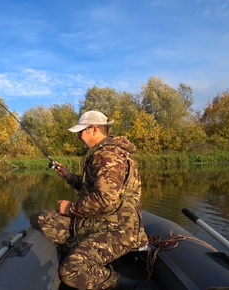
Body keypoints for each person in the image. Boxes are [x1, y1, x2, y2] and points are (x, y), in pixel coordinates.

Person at [37, 110, 148, 289]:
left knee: (71, 270)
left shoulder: (108, 155)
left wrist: (70, 208)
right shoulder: (101, 153)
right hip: (98, 222)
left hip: (118, 230)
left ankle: (132, 285)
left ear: (94, 129)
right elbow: (92, 191)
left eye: (81, 132)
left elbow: (106, 199)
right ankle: (79, 249)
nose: (78, 137)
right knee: (43, 218)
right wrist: (69, 176)